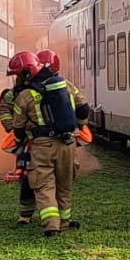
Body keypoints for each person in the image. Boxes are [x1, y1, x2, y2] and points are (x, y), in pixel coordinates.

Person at [16, 48, 89, 237]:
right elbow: (83, 108)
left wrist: (20, 140)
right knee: (64, 183)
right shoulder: (66, 85)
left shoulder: (25, 95)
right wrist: (79, 126)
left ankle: (51, 225)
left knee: (44, 185)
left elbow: (18, 126)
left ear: (27, 73)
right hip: (68, 143)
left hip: (43, 146)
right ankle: (65, 221)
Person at [0, 51, 39, 224]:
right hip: (25, 141)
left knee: (49, 178)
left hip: (45, 141)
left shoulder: (47, 87)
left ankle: (55, 215)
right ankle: (25, 215)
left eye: (19, 75)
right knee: (26, 177)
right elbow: (3, 109)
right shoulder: (14, 93)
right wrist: (11, 127)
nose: (18, 79)